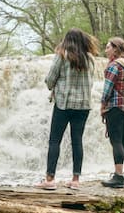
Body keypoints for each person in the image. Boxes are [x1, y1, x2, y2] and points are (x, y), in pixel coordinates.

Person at [35, 28, 99, 190]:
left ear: (67, 40)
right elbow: (91, 82)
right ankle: (76, 180)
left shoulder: (62, 55)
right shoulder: (90, 58)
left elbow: (50, 80)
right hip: (83, 105)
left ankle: (50, 180)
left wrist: (54, 86)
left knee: (55, 140)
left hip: (63, 104)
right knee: (77, 141)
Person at [100, 37, 124, 188]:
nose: (106, 50)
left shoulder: (114, 66)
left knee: (116, 141)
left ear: (115, 49)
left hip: (114, 107)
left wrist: (102, 106)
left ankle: (118, 176)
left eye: (108, 47)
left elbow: (107, 89)